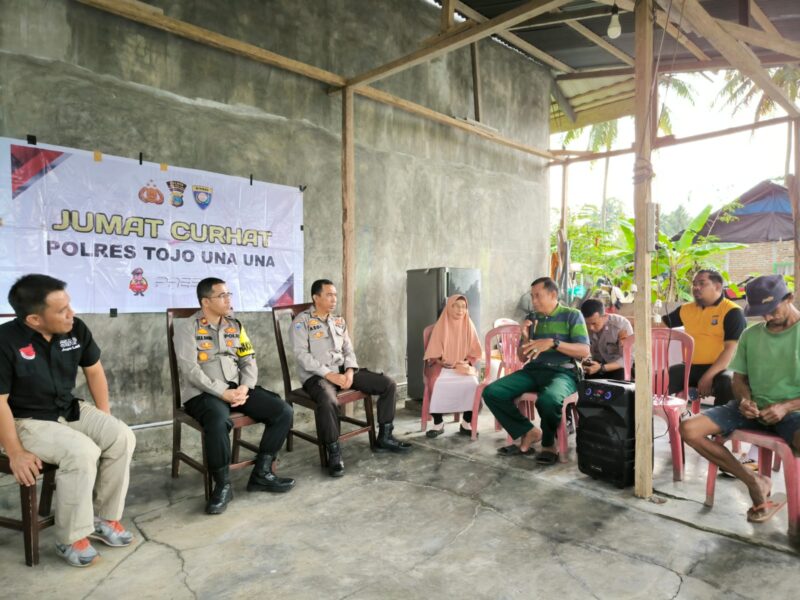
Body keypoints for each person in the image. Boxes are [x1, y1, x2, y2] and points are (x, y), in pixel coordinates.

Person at [0, 274, 136, 567]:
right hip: (25, 419)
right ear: (34, 319)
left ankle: (104, 518)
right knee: (82, 452)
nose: (71, 314)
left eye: (69, 305)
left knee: (121, 435)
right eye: (62, 310)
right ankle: (70, 538)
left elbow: (94, 371)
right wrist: (15, 452)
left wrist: (104, 416)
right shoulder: (5, 341)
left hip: (68, 408)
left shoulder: (76, 329)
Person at [680, 275, 800, 527]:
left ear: (790, 298)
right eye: (761, 313)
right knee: (689, 429)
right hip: (752, 409)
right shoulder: (750, 335)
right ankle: (754, 481)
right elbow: (738, 379)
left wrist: (786, 406)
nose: (767, 317)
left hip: (794, 411)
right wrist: (745, 400)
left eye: (772, 309)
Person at [173, 277, 295, 515]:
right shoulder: (187, 328)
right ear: (205, 302)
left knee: (282, 411)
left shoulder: (235, 325)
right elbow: (190, 370)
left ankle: (262, 473)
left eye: (229, 294)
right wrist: (222, 392)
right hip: (203, 393)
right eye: (222, 296)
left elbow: (248, 360)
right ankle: (223, 485)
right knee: (218, 421)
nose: (228, 299)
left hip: (236, 389)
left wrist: (245, 388)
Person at [292, 279, 411, 477]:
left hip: (343, 372)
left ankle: (385, 437)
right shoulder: (301, 322)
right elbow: (301, 355)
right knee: (328, 400)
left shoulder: (338, 320)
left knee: (388, 384)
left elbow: (348, 349)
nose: (334, 299)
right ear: (316, 297)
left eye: (335, 295)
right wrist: (330, 374)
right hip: (317, 376)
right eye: (329, 295)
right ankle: (333, 452)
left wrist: (348, 371)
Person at [483, 277, 590, 464]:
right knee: (492, 392)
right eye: (532, 296)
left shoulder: (572, 315)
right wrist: (525, 338)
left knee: (549, 399)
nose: (533, 301)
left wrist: (553, 343)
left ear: (553, 295)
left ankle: (548, 444)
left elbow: (584, 351)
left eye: (537, 296)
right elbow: (522, 358)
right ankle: (529, 431)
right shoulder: (532, 318)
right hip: (533, 370)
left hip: (563, 372)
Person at [662, 269, 746, 405]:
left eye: (702, 283)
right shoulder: (686, 309)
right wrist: (629, 323)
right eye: (694, 284)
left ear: (717, 286)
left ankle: (721, 418)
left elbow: (731, 351)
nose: (696, 287)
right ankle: (645, 416)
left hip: (722, 368)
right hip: (692, 367)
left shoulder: (732, 311)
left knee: (727, 382)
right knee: (659, 379)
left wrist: (708, 376)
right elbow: (659, 324)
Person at [423, 295, 483, 438]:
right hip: (442, 367)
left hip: (461, 367)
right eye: (456, 306)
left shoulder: (469, 325)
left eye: (463, 307)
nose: (460, 310)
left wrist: (466, 362)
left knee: (473, 384)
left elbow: (475, 352)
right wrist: (440, 362)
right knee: (435, 383)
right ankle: (438, 423)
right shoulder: (441, 325)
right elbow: (433, 353)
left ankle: (466, 423)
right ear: (449, 307)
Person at [580, 298, 632, 380]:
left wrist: (602, 368)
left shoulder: (621, 325)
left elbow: (628, 358)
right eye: (587, 323)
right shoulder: (580, 326)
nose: (590, 328)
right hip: (596, 366)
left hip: (617, 367)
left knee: (621, 376)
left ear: (605, 317)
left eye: (594, 323)